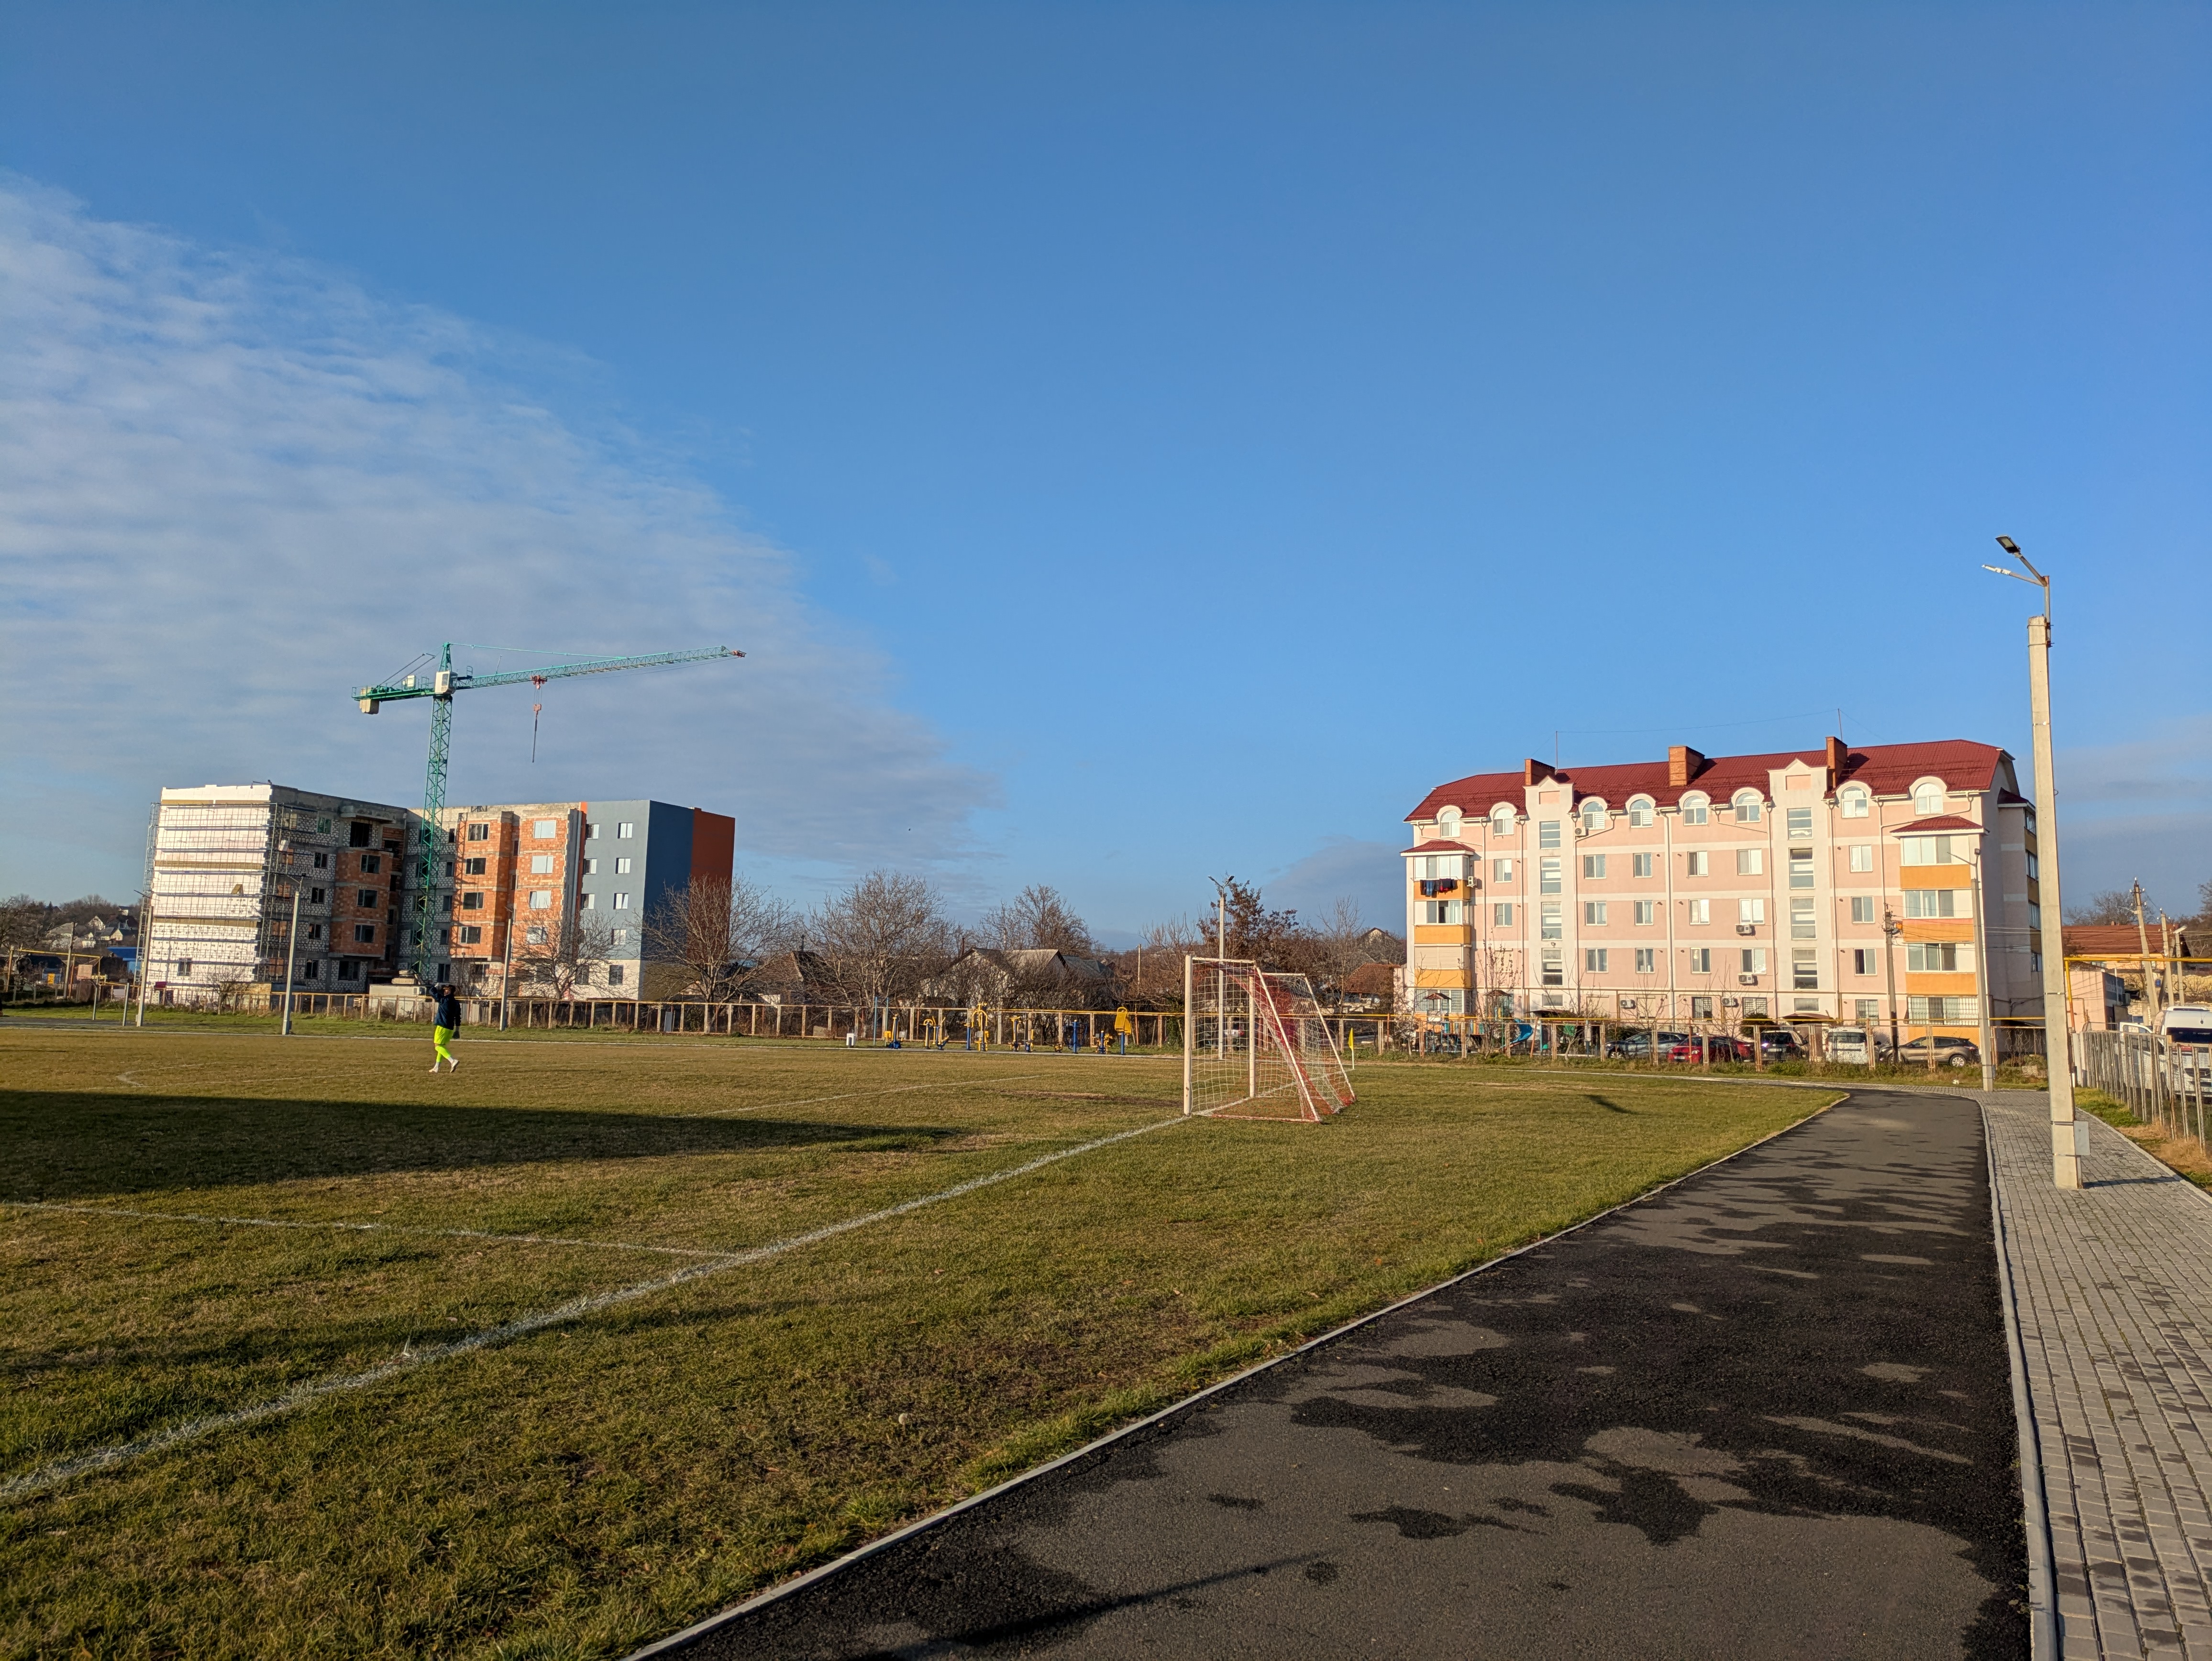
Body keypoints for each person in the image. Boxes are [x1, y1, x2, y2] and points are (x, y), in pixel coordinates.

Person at [430, 983, 462, 1073]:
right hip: (450, 1028)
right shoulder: (456, 1003)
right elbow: (458, 1017)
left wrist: (436, 986)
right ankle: (436, 1067)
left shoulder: (444, 1000)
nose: (446, 991)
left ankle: (453, 1061)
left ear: (451, 992)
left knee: (437, 1046)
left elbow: (432, 992)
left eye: (448, 990)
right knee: (442, 1046)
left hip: (442, 1026)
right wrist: (457, 1030)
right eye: (445, 990)